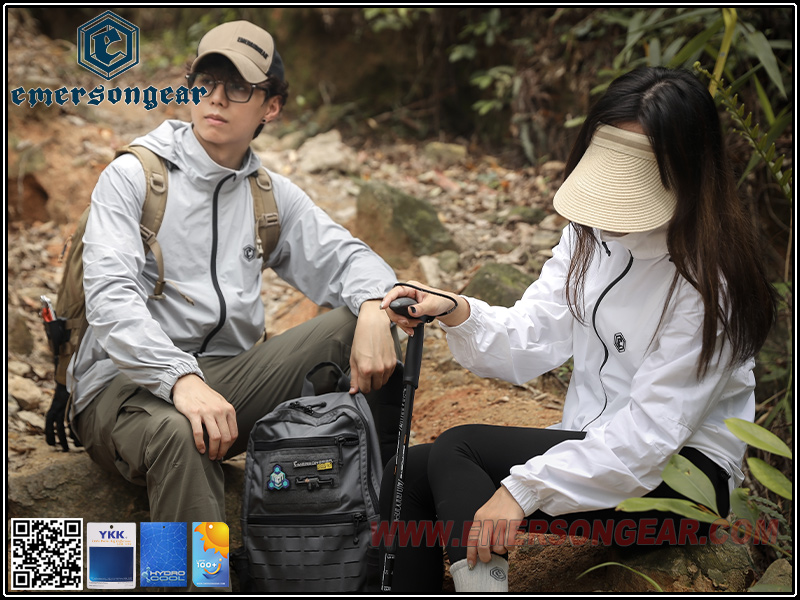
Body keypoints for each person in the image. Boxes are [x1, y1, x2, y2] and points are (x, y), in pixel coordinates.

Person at [379, 66, 777, 593]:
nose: (611, 205)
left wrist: (524, 489)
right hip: (599, 442)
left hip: (681, 485)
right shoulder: (589, 235)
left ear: (687, 171)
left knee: (459, 447)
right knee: (407, 472)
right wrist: (455, 310)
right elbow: (534, 333)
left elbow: (650, 439)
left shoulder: (710, 284)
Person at [70, 20, 402, 532]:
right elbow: (110, 300)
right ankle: (185, 573)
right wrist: (179, 379)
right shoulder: (134, 176)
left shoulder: (269, 195)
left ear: (271, 107)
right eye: (206, 82)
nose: (217, 98)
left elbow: (350, 259)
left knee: (361, 324)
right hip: (123, 385)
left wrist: (377, 309)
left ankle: (370, 537)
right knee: (180, 434)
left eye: (239, 87)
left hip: (227, 383)